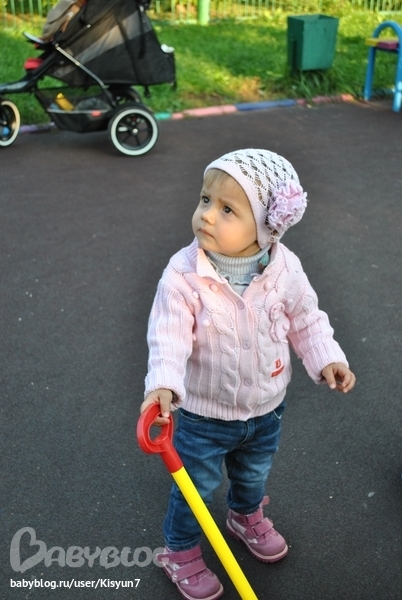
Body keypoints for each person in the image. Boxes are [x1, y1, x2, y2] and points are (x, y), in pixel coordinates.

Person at [140, 148, 356, 600]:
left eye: (227, 210)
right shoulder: (183, 275)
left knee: (253, 474)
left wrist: (326, 357)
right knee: (195, 490)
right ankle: (180, 550)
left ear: (266, 227)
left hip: (266, 410)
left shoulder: (284, 269)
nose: (207, 215)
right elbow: (168, 337)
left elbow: (307, 318)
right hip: (203, 415)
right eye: (205, 200)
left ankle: (244, 515)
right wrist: (162, 385)